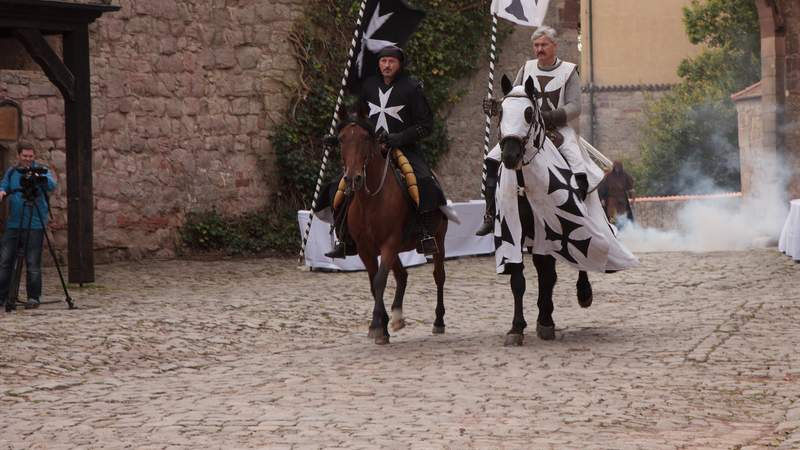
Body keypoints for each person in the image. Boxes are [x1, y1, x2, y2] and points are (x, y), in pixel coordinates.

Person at [325, 45, 446, 258]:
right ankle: (344, 238)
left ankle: (425, 234)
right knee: (340, 186)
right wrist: (337, 138)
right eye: (383, 61)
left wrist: (398, 138)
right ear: (378, 64)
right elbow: (358, 120)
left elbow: (425, 125)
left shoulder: (411, 87)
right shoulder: (369, 86)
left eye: (391, 61)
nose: (387, 65)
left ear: (399, 64)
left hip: (404, 148)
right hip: (370, 149)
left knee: (425, 181)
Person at [476, 25, 589, 235]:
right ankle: (490, 213)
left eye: (544, 44)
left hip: (558, 129)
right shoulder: (527, 68)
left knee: (577, 163)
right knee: (492, 160)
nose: (539, 49)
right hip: (526, 131)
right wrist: (497, 105)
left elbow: (575, 107)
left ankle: (578, 211)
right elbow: (515, 97)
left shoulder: (569, 71)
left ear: (554, 45)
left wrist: (547, 117)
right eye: (536, 45)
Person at [0, 140, 57, 310]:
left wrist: (39, 177)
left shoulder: (41, 171)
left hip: (35, 224)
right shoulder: (12, 172)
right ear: (18, 155)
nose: (28, 159)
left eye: (31, 156)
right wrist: (2, 191)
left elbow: (51, 185)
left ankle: (33, 297)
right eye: (25, 156)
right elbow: (4, 184)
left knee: (32, 262)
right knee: (5, 261)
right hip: (14, 223)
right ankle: (2, 296)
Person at [598, 160, 635, 225]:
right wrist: (602, 199)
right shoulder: (608, 176)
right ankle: (612, 225)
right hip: (611, 199)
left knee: (622, 216)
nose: (617, 169)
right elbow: (603, 188)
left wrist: (632, 198)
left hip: (622, 199)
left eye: (618, 167)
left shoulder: (625, 175)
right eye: (616, 167)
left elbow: (630, 187)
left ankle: (623, 228)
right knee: (611, 215)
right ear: (614, 167)